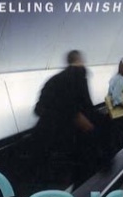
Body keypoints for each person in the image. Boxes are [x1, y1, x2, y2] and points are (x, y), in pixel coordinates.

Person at [32, 50, 110, 185]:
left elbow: (38, 110)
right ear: (80, 61)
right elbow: (85, 108)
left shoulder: (53, 80)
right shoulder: (79, 75)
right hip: (69, 139)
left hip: (45, 139)